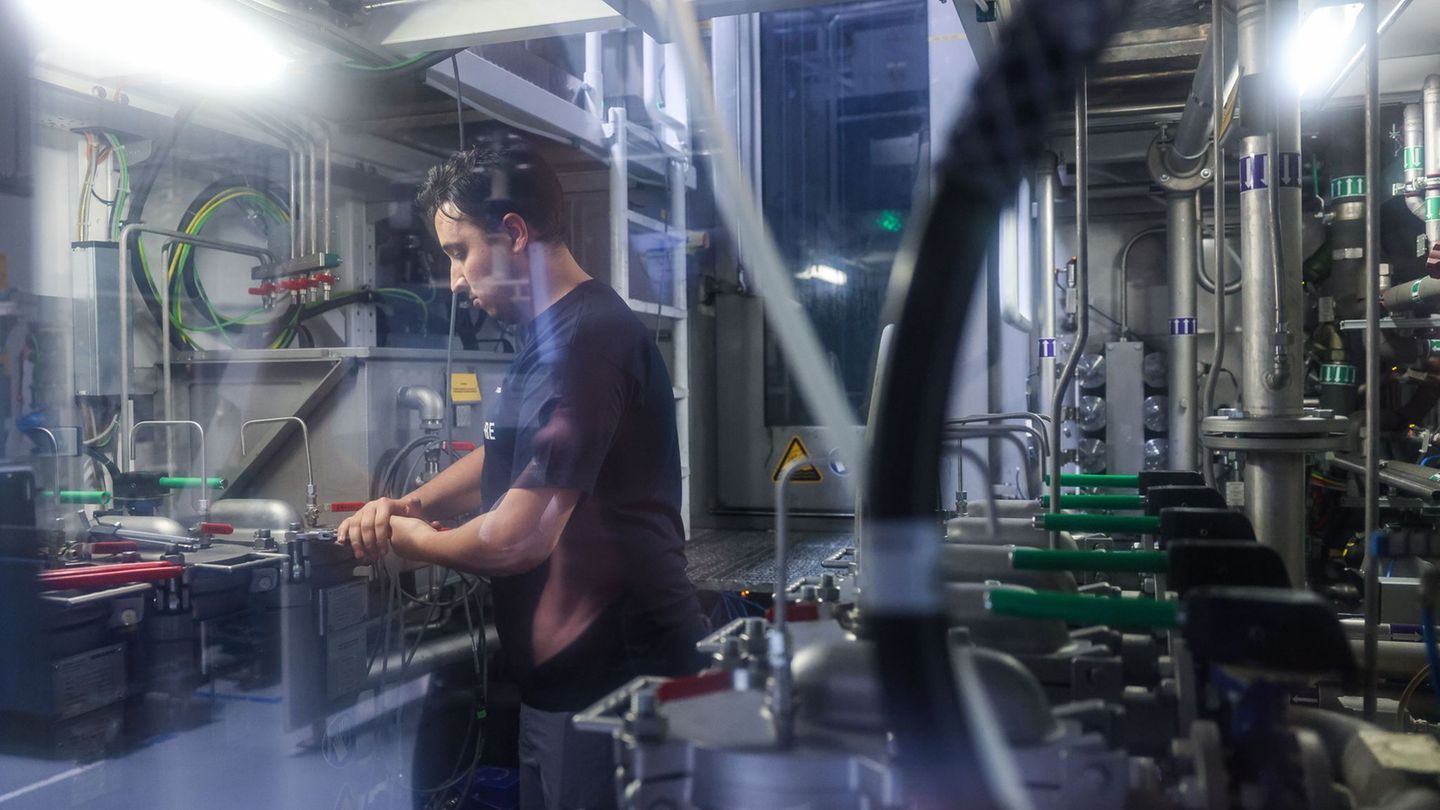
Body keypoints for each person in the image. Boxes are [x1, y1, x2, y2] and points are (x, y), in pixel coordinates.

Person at [337, 141, 707, 810]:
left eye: (458, 253)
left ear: (513, 235)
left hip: (615, 689)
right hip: (569, 684)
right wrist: (408, 503)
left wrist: (405, 542)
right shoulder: (549, 336)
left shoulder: (586, 344)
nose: (454, 280)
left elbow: (517, 538)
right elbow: (509, 452)